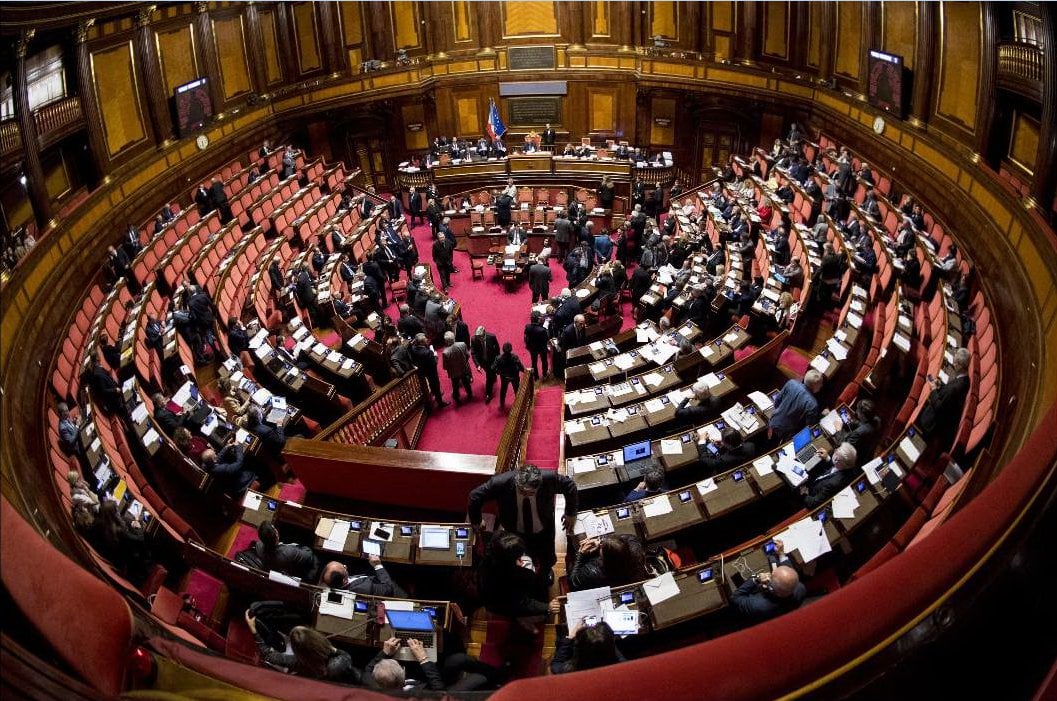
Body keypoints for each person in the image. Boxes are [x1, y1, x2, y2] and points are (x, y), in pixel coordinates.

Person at [468, 463, 577, 578]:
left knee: (547, 557)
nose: (527, 495)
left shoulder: (548, 478)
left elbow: (570, 486)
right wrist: (477, 521)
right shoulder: (501, 483)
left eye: (531, 493)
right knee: (516, 557)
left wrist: (570, 514)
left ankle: (545, 574)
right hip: (514, 531)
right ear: (516, 482)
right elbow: (474, 496)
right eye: (523, 491)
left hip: (543, 529)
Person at [245, 614, 360, 682]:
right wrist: (325, 645)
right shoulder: (342, 659)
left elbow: (268, 655)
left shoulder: (297, 662)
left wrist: (254, 630)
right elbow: (342, 655)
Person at [476, 531, 560, 620]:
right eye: (517, 558)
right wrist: (547, 607)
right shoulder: (510, 579)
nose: (521, 561)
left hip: (495, 600)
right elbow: (520, 604)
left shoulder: (491, 553)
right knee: (541, 617)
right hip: (505, 606)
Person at [730, 540, 806, 623]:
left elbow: (735, 598)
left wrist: (756, 579)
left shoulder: (756, 605)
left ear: (770, 588)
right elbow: (789, 575)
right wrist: (781, 554)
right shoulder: (800, 589)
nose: (769, 573)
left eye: (771, 575)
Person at [916, 347, 971, 446]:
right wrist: (941, 385)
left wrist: (933, 390)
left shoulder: (954, 388)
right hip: (946, 409)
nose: (953, 365)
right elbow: (948, 395)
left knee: (919, 413)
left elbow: (939, 408)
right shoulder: (965, 379)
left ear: (960, 366)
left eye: (955, 363)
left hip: (932, 423)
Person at [568, 534, 649, 591]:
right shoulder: (634, 545)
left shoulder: (594, 572)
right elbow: (624, 538)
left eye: (602, 548)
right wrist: (601, 541)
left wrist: (580, 554)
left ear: (604, 558)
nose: (601, 546)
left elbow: (573, 581)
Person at [550, 620, 625, 674]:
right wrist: (605, 638)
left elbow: (556, 665)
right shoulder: (622, 668)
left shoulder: (572, 669)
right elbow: (611, 648)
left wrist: (570, 637)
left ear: (579, 647)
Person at [367, 638, 444, 692]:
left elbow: (367, 672)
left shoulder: (369, 685)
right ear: (403, 672)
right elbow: (441, 692)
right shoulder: (418, 694)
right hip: (423, 678)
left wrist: (385, 652)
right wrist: (423, 659)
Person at [768, 370, 823, 443]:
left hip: (773, 421)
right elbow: (810, 426)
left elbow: (777, 402)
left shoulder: (791, 383)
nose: (821, 386)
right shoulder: (813, 404)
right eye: (820, 385)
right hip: (785, 434)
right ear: (816, 387)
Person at [800, 442, 858, 508]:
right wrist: (827, 458)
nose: (835, 450)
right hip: (818, 481)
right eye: (837, 450)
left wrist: (804, 494)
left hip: (811, 492)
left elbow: (813, 503)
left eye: (836, 453)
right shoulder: (847, 467)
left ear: (837, 460)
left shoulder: (832, 484)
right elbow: (836, 466)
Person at [320, 555, 407, 597]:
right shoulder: (362, 589)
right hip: (394, 590)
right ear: (344, 581)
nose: (345, 566)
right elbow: (388, 587)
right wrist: (378, 565)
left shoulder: (335, 582)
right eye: (344, 568)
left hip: (366, 578)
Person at [410, 333, 448, 408]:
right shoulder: (428, 352)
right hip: (431, 372)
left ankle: (433, 394)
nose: (427, 340)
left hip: (422, 370)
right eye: (425, 339)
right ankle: (440, 402)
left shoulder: (414, 349)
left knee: (430, 385)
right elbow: (434, 363)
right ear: (421, 342)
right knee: (436, 386)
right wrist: (435, 355)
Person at [441, 331, 474, 405]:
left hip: (454, 372)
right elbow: (467, 355)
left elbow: (445, 367)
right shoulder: (462, 344)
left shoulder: (445, 352)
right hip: (463, 369)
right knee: (466, 382)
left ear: (446, 341)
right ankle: (470, 394)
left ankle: (457, 398)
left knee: (455, 386)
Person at [470, 326, 501, 403]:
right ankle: (493, 377)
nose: (478, 338)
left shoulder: (492, 337)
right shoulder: (474, 339)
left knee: (489, 377)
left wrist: (497, 361)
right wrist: (478, 365)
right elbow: (473, 353)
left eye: (480, 336)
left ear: (484, 333)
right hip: (482, 362)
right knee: (489, 373)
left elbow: (497, 350)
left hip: (492, 360)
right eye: (477, 336)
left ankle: (488, 394)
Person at [493, 342, 526, 408]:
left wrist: (498, 372)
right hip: (514, 377)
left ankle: (502, 404)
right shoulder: (515, 357)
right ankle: (519, 404)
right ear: (511, 349)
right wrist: (525, 371)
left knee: (503, 390)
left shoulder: (498, 358)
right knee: (517, 390)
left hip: (504, 377)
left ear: (503, 349)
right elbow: (520, 366)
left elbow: (493, 367)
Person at [523, 311, 550, 379]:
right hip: (542, 348)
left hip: (532, 347)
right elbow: (546, 340)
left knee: (534, 362)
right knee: (544, 361)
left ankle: (536, 376)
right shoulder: (542, 330)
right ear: (538, 319)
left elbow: (526, 337)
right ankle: (544, 374)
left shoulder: (527, 327)